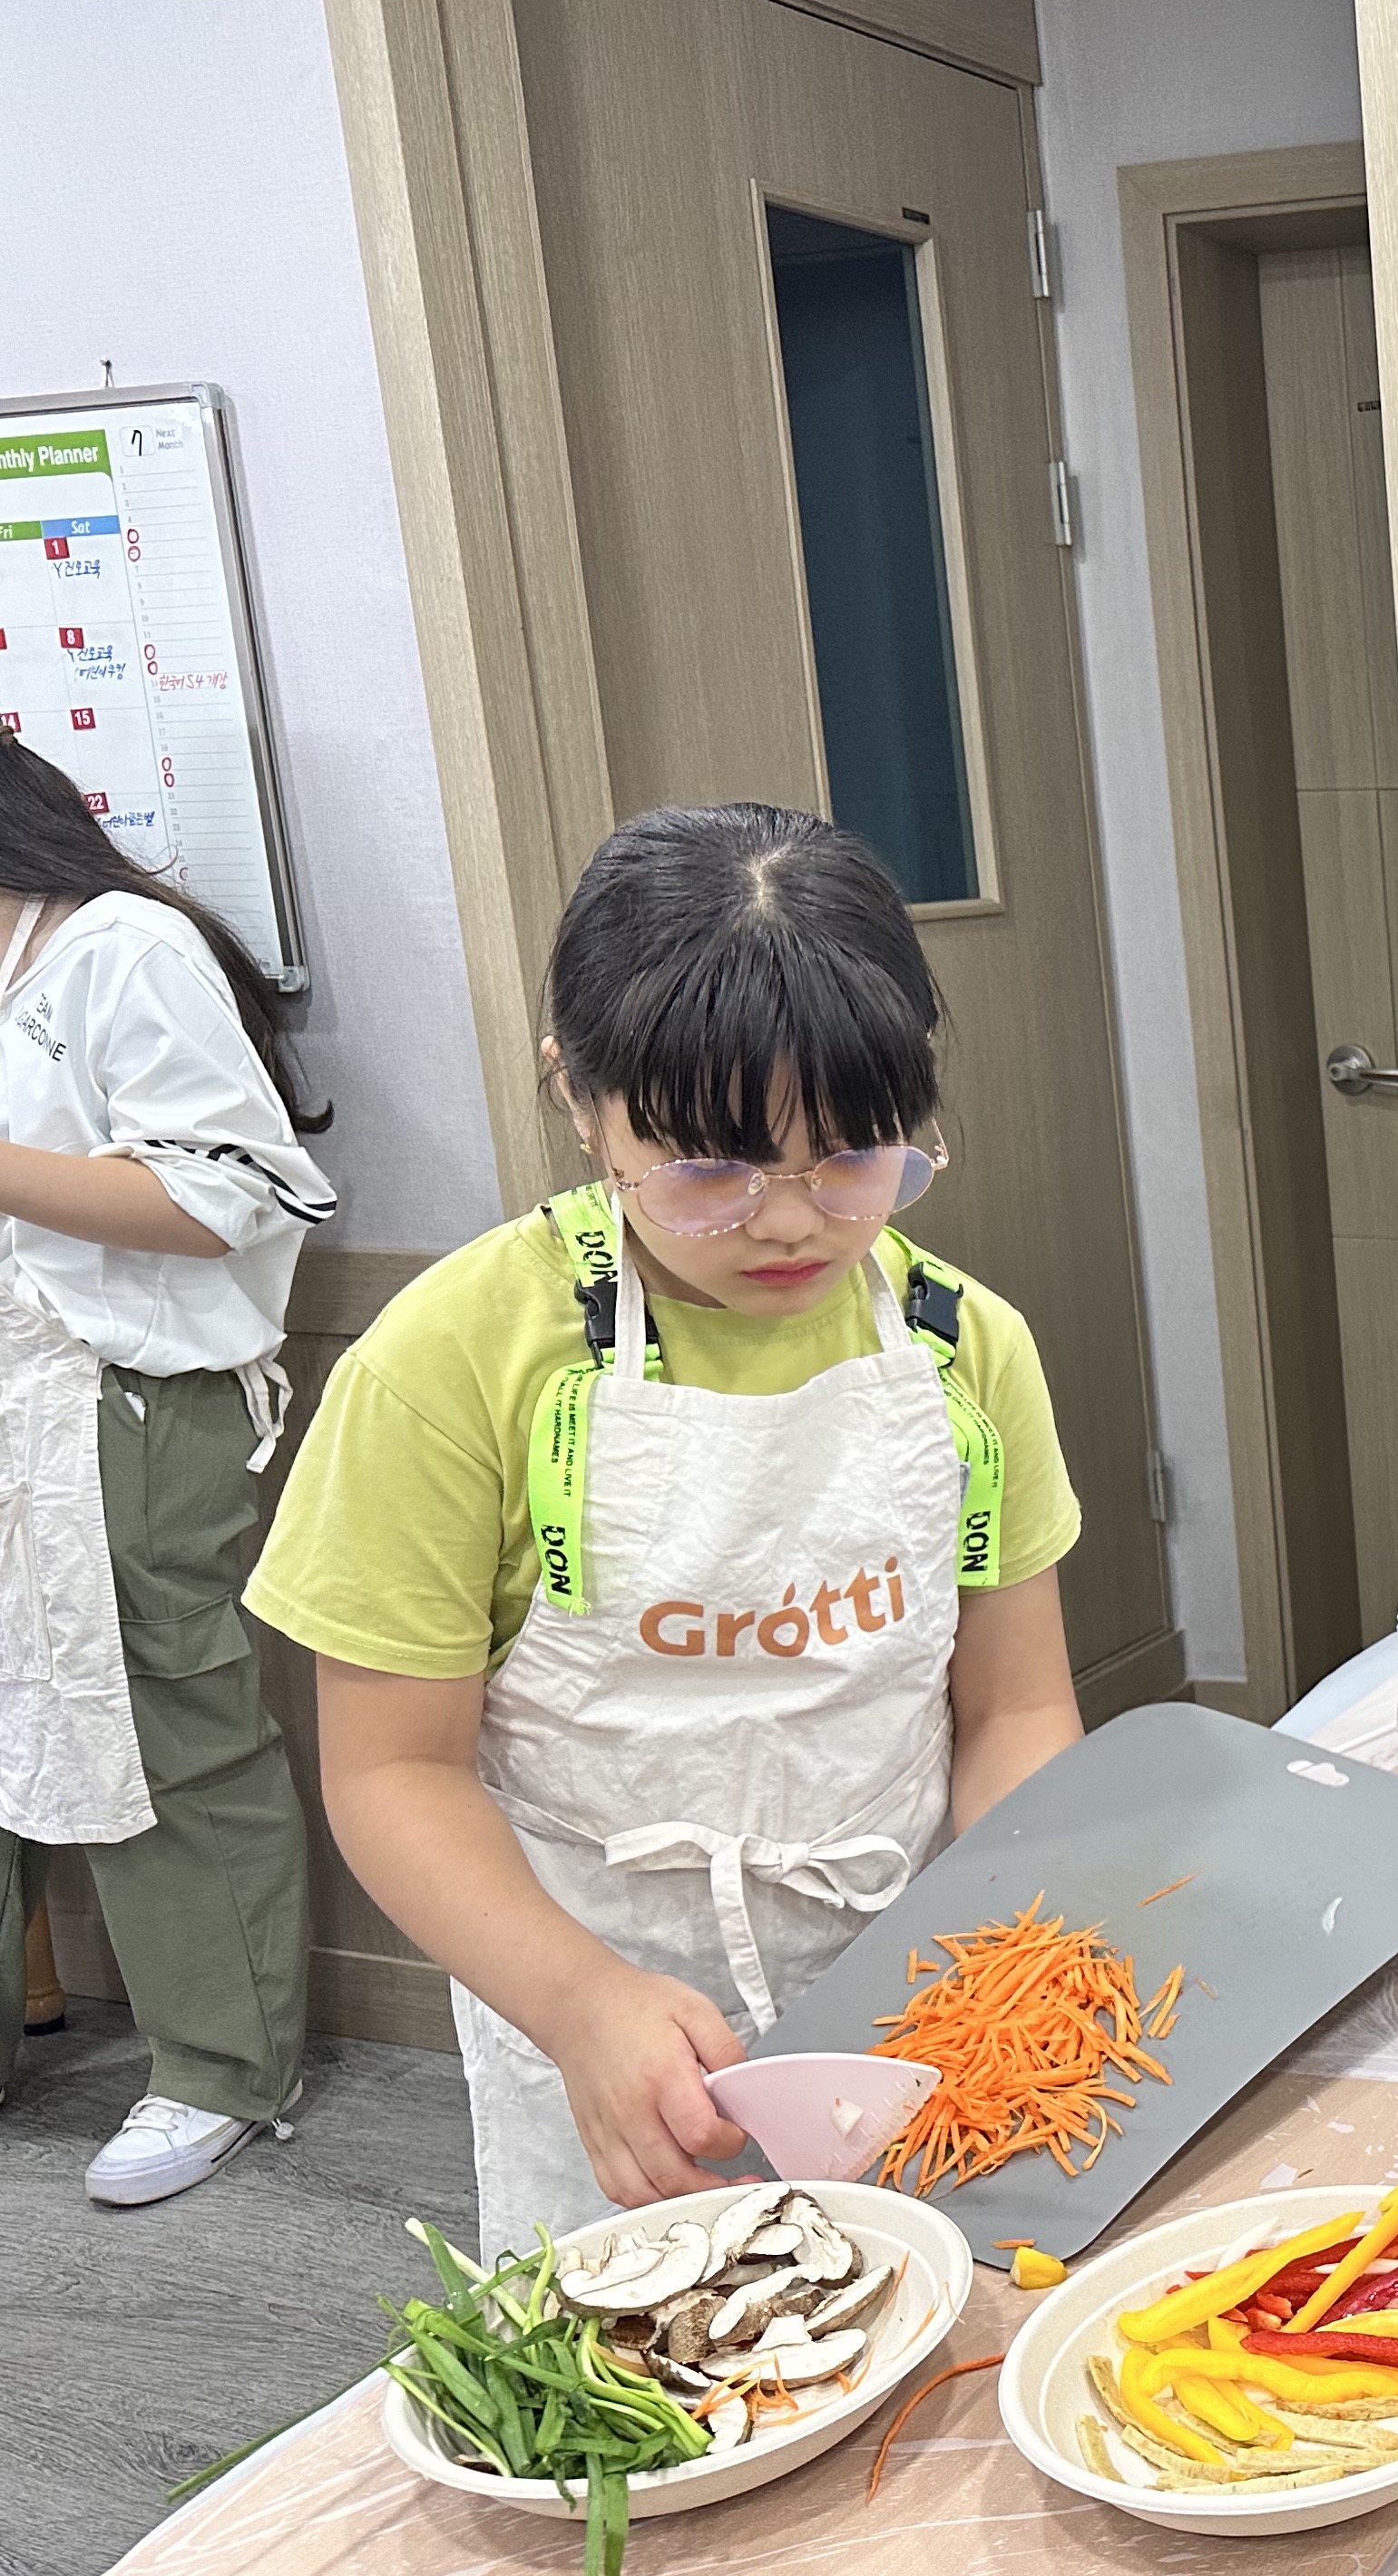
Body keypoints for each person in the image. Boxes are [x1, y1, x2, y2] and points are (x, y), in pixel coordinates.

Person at [248, 804, 1087, 2249]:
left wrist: (1021, 1939)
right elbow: (392, 1771)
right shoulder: (454, 1361)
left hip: (914, 1984)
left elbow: (1013, 1708)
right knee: (659, 2352)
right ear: (581, 1098)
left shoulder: (963, 1345)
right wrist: (580, 2002)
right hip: (597, 2002)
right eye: (709, 1168)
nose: (791, 1222)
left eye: (853, 1155)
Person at [0, 723, 336, 2202]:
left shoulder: (117, 950)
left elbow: (224, 1202)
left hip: (119, 1401)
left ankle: (219, 2067)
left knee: (163, 1725)